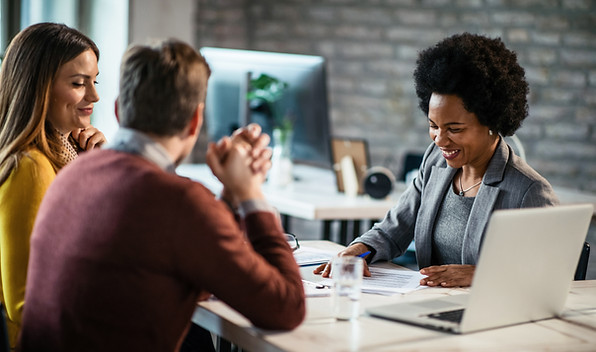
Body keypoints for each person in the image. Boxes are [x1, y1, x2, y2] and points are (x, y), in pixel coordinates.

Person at [18, 39, 305, 351]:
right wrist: (251, 194)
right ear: (195, 119)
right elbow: (286, 309)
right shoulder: (181, 202)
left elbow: (188, 255)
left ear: (117, 109)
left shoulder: (72, 173)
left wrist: (230, 197)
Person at [315, 32, 559, 287]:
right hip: (429, 307)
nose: (440, 140)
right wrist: (359, 250)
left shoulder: (529, 191)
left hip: (488, 318)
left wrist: (481, 274)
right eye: (433, 125)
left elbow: (550, 275)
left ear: (492, 122)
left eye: (454, 129)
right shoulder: (436, 162)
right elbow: (392, 230)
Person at [0, 22, 106, 347]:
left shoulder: (61, 157)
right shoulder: (31, 168)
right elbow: (27, 302)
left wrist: (94, 170)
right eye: (78, 83)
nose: (94, 96)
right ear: (39, 87)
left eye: (95, 82)